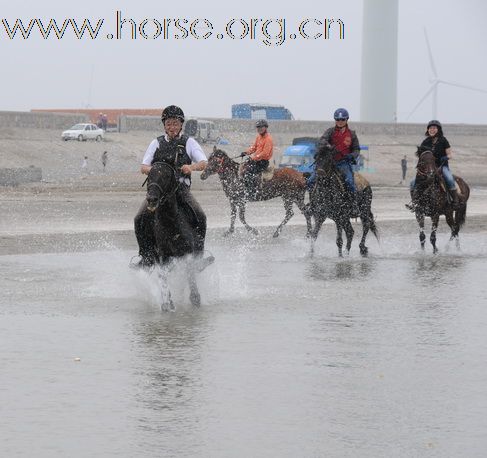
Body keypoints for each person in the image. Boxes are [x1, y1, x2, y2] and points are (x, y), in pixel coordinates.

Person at [132, 105, 210, 269]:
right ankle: (145, 256)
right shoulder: (156, 143)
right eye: (168, 124)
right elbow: (143, 167)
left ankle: (199, 257)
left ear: (181, 124)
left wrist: (191, 167)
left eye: (175, 123)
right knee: (139, 218)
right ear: (164, 125)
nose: (172, 127)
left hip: (181, 190)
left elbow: (204, 163)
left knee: (201, 216)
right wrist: (157, 171)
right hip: (159, 191)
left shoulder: (189, 142)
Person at [314, 108, 361, 214]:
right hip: (329, 163)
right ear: (335, 120)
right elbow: (322, 140)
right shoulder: (330, 131)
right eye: (338, 119)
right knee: (312, 180)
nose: (340, 121)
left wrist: (351, 156)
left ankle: (353, 205)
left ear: (346, 120)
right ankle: (312, 203)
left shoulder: (352, 134)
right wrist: (327, 145)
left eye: (342, 119)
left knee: (349, 182)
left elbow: (357, 149)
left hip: (343, 163)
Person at [408, 119, 459, 209]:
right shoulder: (425, 142)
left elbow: (450, 154)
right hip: (428, 168)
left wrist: (446, 157)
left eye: (434, 128)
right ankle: (414, 203)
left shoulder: (443, 140)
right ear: (428, 130)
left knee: (450, 179)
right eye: (430, 128)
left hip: (442, 166)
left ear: (438, 129)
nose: (432, 130)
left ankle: (455, 202)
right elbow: (421, 155)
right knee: (412, 183)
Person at [241, 119, 273, 199]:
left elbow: (265, 153)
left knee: (249, 172)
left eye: (261, 127)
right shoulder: (258, 137)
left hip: (263, 162)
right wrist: (246, 152)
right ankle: (245, 188)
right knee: (243, 168)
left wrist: (254, 158)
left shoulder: (268, 139)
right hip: (256, 160)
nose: (259, 129)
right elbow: (254, 147)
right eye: (258, 127)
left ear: (265, 127)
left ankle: (252, 192)